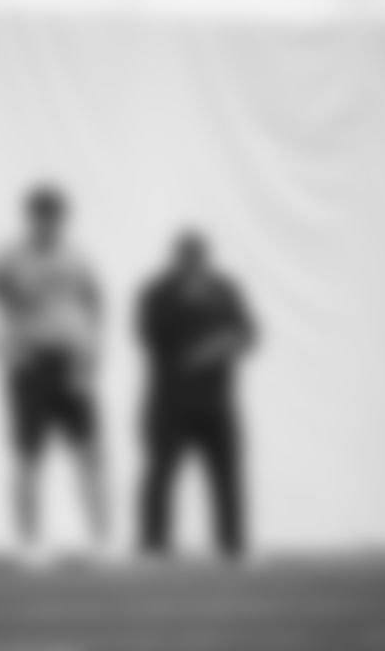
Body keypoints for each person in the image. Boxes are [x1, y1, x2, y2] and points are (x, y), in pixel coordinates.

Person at [0, 184, 109, 564]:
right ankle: (30, 544)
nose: (49, 222)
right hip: (32, 365)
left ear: (64, 218)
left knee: (89, 453)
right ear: (30, 217)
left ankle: (101, 542)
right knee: (29, 456)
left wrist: (91, 353)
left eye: (55, 215)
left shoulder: (77, 257)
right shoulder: (7, 258)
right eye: (42, 215)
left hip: (72, 365)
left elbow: (95, 303)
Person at [137, 232, 257, 560]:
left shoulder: (224, 289)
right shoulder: (158, 292)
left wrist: (216, 347)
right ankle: (154, 547)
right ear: (175, 258)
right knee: (161, 475)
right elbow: (149, 335)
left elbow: (248, 334)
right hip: (170, 402)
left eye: (198, 256)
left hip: (216, 402)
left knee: (227, 476)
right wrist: (186, 306)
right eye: (186, 256)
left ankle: (232, 547)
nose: (192, 262)